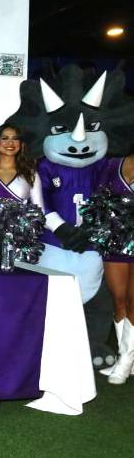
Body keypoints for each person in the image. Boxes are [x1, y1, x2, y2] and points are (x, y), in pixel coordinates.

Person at [98, 154, 134, 384]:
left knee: (133, 301)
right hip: (116, 241)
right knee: (118, 299)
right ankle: (128, 359)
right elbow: (99, 197)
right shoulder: (113, 164)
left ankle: (125, 360)